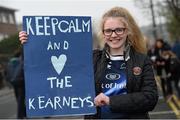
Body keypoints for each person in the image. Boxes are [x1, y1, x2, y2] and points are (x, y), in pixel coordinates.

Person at [19, 7, 158, 119]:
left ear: (127, 31)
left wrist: (111, 101)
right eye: (108, 31)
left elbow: (150, 98)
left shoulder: (141, 60)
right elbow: (49, 68)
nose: (114, 35)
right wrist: (30, 44)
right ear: (103, 33)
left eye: (119, 30)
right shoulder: (91, 58)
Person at [6, 47, 26, 119]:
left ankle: (23, 113)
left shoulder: (10, 63)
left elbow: (7, 73)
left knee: (18, 98)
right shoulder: (21, 62)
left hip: (14, 82)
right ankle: (20, 115)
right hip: (21, 82)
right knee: (22, 99)